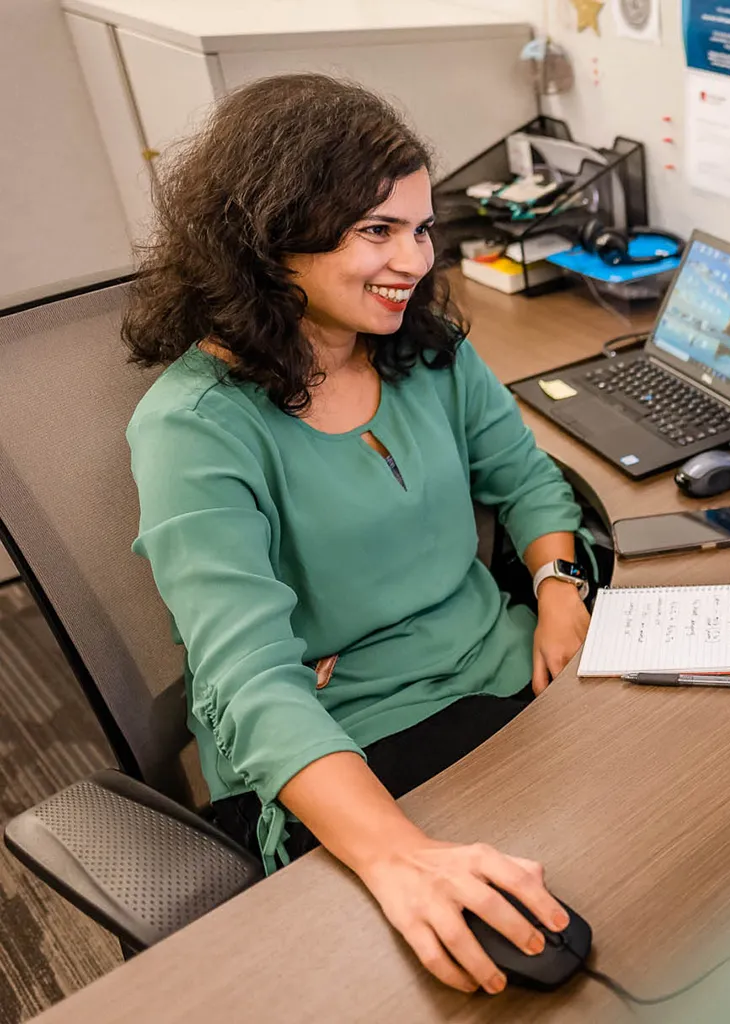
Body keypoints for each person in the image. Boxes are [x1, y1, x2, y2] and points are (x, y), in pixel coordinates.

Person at [122, 75, 589, 996]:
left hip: (508, 670)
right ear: (271, 236)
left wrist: (559, 589)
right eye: (377, 230)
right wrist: (400, 857)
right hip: (353, 739)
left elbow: (531, 482)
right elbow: (250, 681)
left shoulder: (426, 349)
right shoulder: (194, 429)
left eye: (421, 228)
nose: (413, 260)